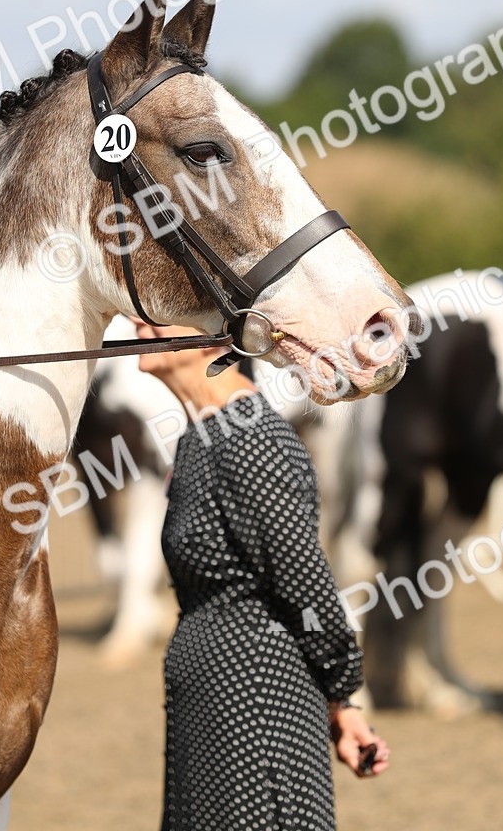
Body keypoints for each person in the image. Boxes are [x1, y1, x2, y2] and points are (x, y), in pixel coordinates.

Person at [134, 322, 389, 831]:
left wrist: (342, 698)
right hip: (212, 703)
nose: (142, 320)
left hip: (258, 703)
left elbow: (307, 587)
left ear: (213, 339)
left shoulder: (253, 438)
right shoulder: (199, 439)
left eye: (165, 313)